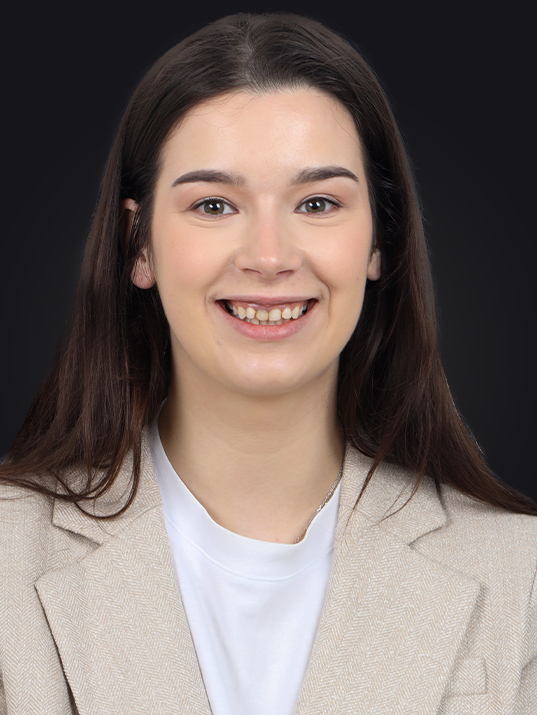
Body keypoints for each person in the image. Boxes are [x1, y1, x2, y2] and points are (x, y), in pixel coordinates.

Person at [0, 12, 535, 715]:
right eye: (214, 204)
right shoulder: (9, 558)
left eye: (317, 202)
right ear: (139, 244)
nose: (270, 255)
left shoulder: (520, 576)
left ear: (379, 239)